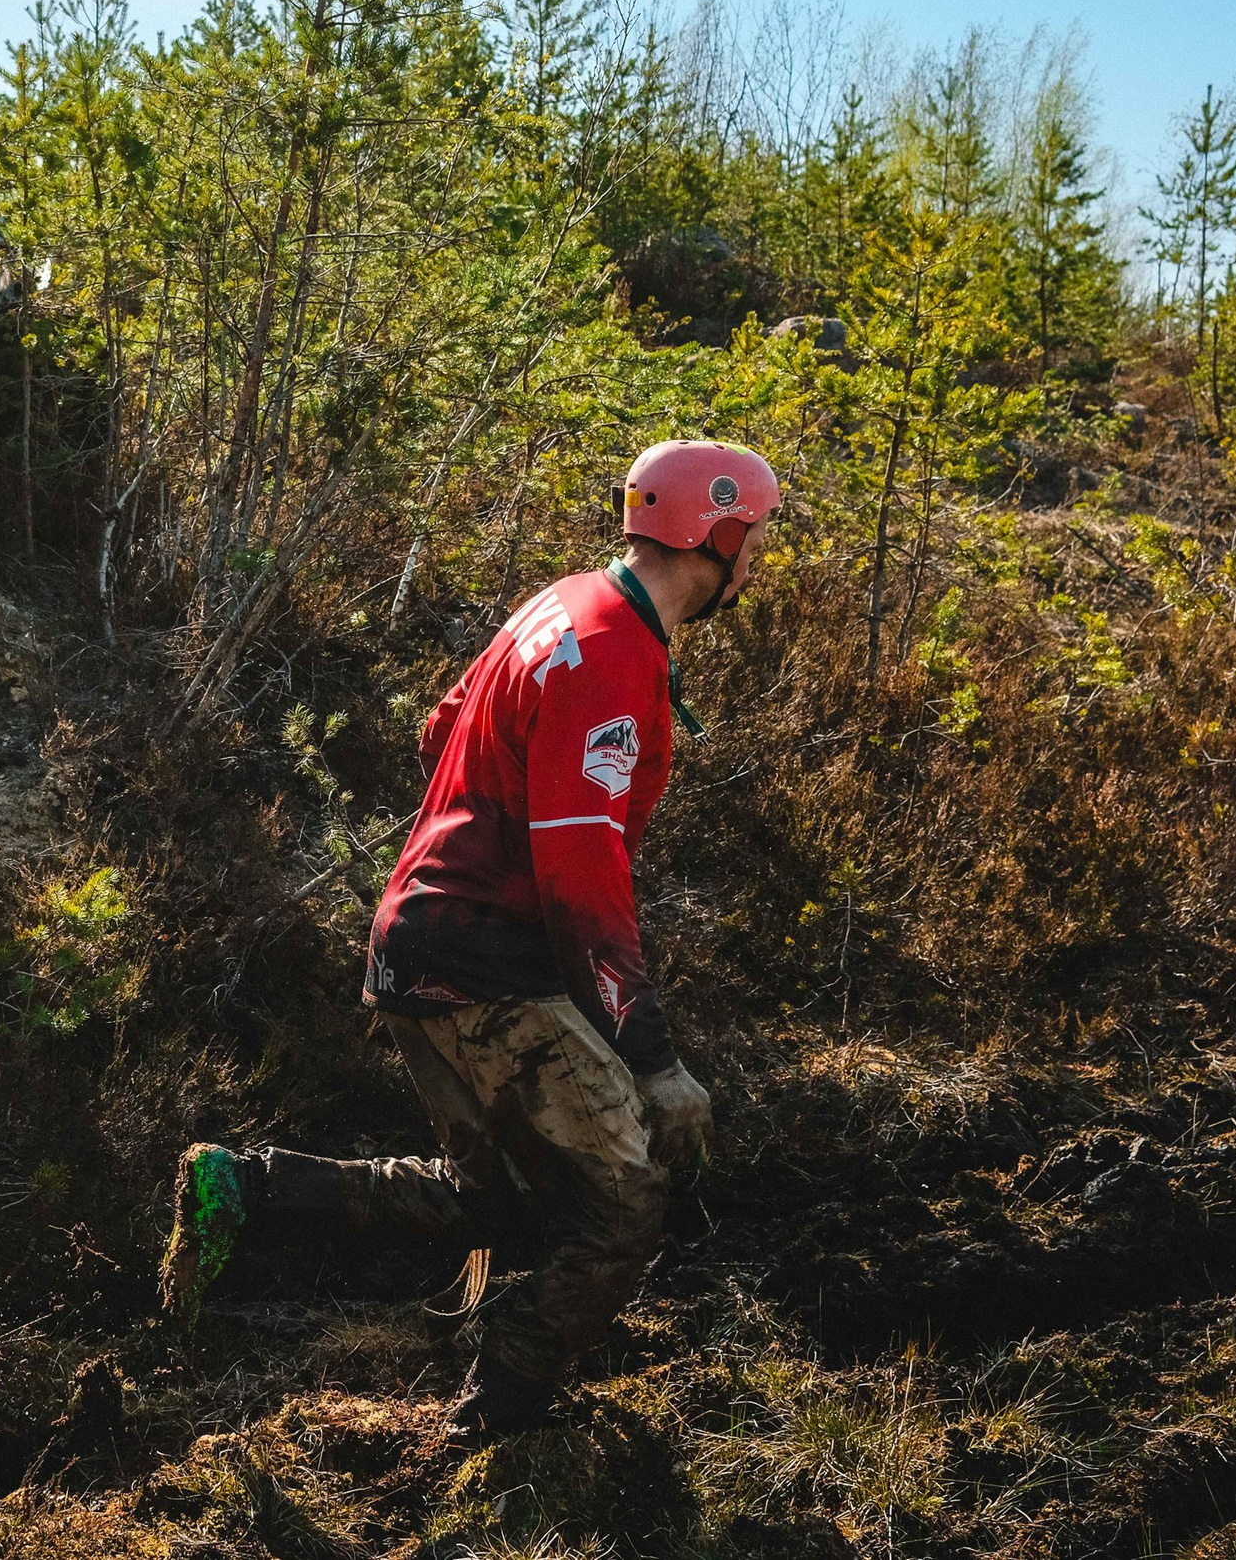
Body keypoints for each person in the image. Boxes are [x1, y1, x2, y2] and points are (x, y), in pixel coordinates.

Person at [160, 439, 781, 1444]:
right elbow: (583, 881)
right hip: (485, 965)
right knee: (622, 1210)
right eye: (751, 538)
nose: (752, 561)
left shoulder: (561, 604)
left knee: (496, 1201)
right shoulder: (617, 652)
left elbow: (436, 730)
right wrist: (655, 1062)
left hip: (414, 938)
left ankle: (247, 1186)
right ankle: (496, 1429)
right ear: (714, 533)